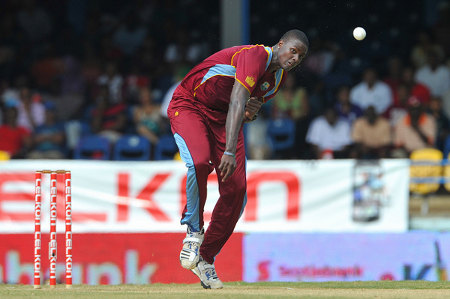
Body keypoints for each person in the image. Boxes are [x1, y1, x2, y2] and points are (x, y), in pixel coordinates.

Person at [167, 29, 309, 288]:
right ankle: (193, 231)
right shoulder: (255, 55)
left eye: (300, 57)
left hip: (222, 119)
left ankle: (205, 259)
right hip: (190, 105)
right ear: (280, 44)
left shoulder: (276, 80)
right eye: (293, 50)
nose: (295, 58)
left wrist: (251, 113)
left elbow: (243, 110)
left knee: (237, 190)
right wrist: (230, 151)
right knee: (199, 162)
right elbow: (236, 100)